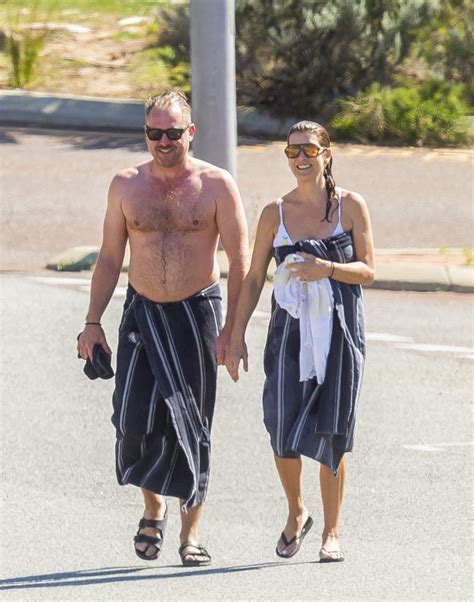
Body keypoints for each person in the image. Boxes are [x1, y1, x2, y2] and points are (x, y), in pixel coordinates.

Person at [77, 90, 249, 566]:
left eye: (174, 133)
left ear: (190, 133)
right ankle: (152, 507)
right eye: (156, 133)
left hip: (196, 312)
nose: (164, 141)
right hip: (141, 311)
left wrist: (233, 330)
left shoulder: (216, 184)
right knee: (132, 420)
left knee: (191, 422)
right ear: (146, 133)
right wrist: (92, 323)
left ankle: (190, 534)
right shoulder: (126, 185)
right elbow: (110, 258)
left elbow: (239, 260)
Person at [225, 121, 374, 562]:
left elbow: (368, 270)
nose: (300, 159)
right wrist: (235, 337)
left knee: (332, 428)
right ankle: (297, 513)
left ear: (327, 153)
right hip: (288, 334)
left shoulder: (351, 207)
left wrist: (327, 269)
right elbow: (254, 279)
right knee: (282, 427)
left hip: (340, 333)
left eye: (309, 150)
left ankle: (332, 532)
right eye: (292, 153)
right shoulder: (275, 212)